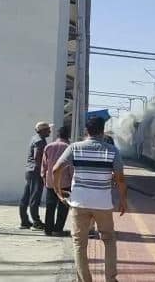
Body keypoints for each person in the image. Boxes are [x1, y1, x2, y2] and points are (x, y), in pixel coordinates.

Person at [53, 117, 127, 282]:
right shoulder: (112, 150)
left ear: (87, 130)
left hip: (79, 203)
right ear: (102, 130)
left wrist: (58, 191)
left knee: (79, 243)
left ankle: (85, 280)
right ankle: (110, 279)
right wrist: (123, 200)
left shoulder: (75, 147)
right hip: (103, 204)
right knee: (108, 240)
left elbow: (56, 169)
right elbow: (120, 179)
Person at [19, 121, 51, 230]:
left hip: (30, 171)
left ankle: (24, 221)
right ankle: (36, 222)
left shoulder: (35, 138)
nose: (50, 131)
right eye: (48, 129)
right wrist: (42, 171)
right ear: (42, 130)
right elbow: (38, 156)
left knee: (26, 196)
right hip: (36, 171)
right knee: (34, 198)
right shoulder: (40, 141)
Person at [41, 126, 73, 236]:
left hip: (50, 181)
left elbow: (44, 165)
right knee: (63, 207)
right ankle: (58, 229)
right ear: (67, 135)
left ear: (58, 135)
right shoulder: (69, 147)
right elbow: (71, 167)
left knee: (50, 206)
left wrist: (44, 177)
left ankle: (48, 229)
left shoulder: (48, 147)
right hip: (65, 182)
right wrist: (73, 179)